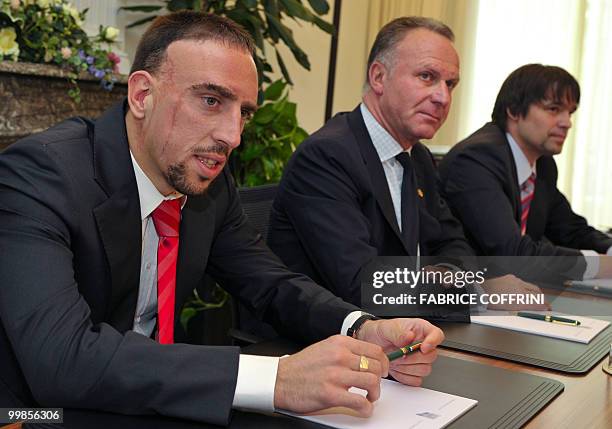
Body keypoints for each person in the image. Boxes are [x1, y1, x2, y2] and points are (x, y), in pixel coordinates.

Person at [0, 12, 444, 425]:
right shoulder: (41, 176)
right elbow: (61, 360)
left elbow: (271, 283)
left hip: (151, 403)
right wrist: (276, 379)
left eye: (244, 113)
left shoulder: (208, 182)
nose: (232, 136)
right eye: (211, 100)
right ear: (142, 95)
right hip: (36, 414)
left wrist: (364, 327)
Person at [267, 17, 537, 309]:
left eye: (450, 84)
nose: (443, 97)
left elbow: (452, 243)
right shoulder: (326, 157)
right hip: (321, 341)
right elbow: (363, 283)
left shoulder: (417, 156)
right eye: (426, 76)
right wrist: (481, 293)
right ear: (379, 77)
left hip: (408, 327)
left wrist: (448, 274)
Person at [438, 64, 612, 280]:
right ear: (514, 110)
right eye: (554, 109)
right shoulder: (476, 159)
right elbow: (513, 254)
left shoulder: (543, 163)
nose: (567, 123)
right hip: (465, 297)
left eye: (570, 112)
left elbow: (570, 229)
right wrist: (599, 265)